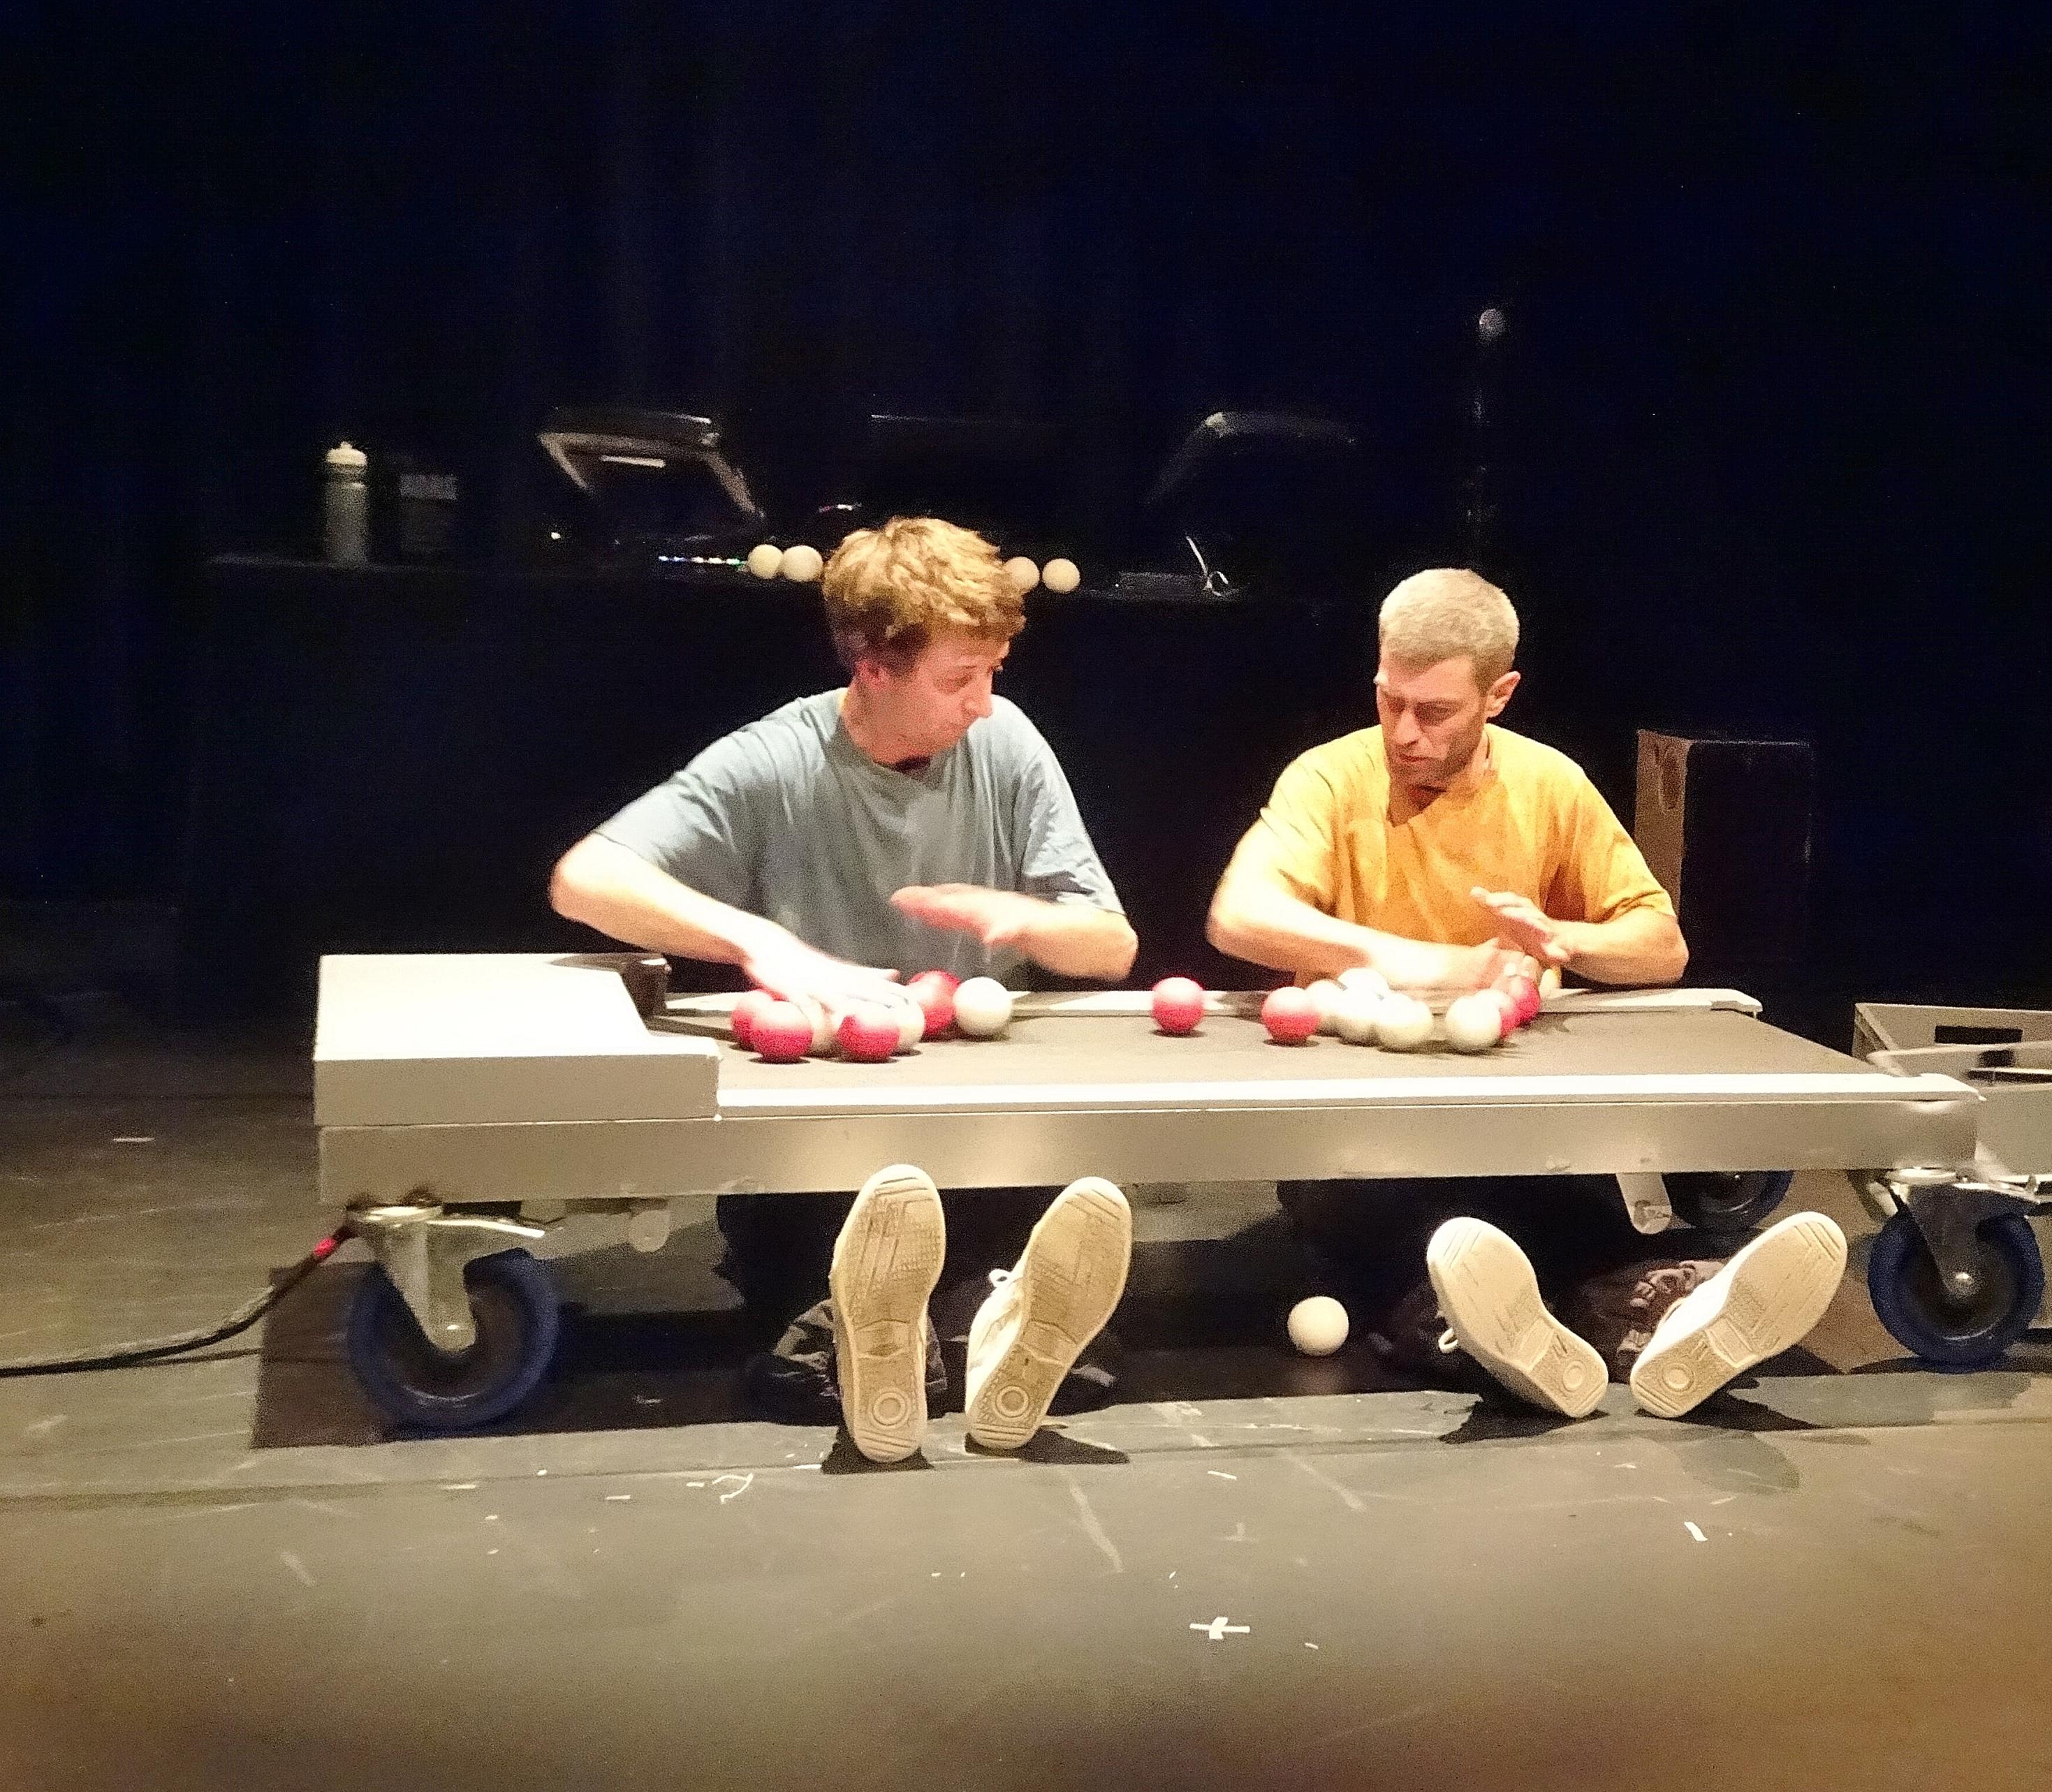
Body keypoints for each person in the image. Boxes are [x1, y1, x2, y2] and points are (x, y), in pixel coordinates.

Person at [548, 516, 1137, 1460]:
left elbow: (1111, 946)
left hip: (979, 1138)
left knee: (1034, 1326)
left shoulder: (1009, 743)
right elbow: (583, 880)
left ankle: (974, 1340)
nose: (984, 702)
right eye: (960, 678)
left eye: (993, 672)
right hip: (818, 1152)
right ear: (873, 667)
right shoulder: (775, 759)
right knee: (813, 1348)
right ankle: (888, 1343)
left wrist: (1022, 918)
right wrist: (760, 940)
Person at [1207, 567, 1851, 1416]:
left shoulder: (1550, 784)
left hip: (1516, 1120)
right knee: (1416, 1249)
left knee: (1567, 1218)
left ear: (1499, 695)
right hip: (1361, 1132)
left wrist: (1564, 940)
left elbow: (1661, 946)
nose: (1403, 732)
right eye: (1389, 700)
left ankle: (1652, 1316)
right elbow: (1236, 915)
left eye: (1434, 711)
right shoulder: (1327, 778)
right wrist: (1423, 964)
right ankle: (1536, 1334)